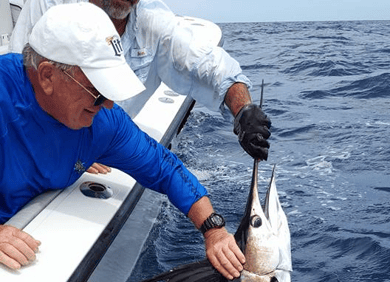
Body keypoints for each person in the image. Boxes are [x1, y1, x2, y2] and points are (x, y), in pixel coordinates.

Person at [0, 2, 245, 280]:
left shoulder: (103, 123)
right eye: (97, 90)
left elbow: (164, 168)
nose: (108, 104)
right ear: (47, 76)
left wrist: (214, 229)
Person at [9, 0, 271, 161]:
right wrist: (75, 144)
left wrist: (244, 110)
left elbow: (208, 63)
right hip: (36, 144)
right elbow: (20, 79)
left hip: (109, 145)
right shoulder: (49, 5)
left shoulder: (152, 19)